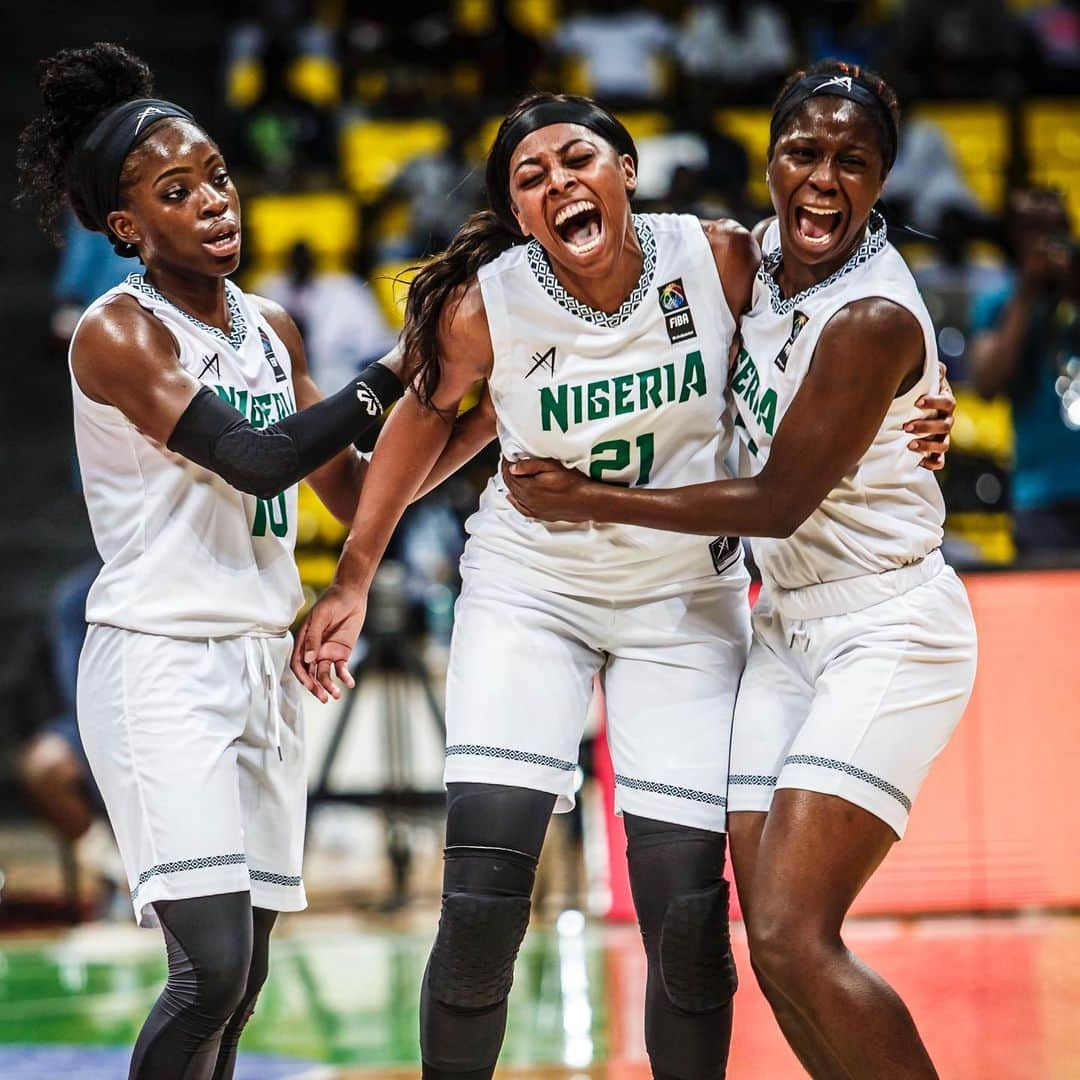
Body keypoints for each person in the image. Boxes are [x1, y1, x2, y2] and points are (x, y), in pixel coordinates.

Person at [292, 91, 955, 1080]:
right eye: (531, 176)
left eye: (578, 159)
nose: (559, 181)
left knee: (689, 929)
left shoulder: (723, 257)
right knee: (481, 908)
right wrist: (352, 577)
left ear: (626, 173)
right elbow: (426, 422)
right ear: (518, 213)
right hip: (531, 589)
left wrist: (919, 391)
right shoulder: (490, 303)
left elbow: (842, 311)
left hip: (683, 601)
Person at [14, 42, 491, 1080]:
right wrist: (400, 364)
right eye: (176, 193)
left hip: (262, 660)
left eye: (219, 177)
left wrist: (474, 415)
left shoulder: (271, 327)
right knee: (209, 972)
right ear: (128, 230)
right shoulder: (117, 336)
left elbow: (358, 493)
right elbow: (263, 459)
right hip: (160, 663)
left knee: (248, 982)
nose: (215, 202)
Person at [497, 63, 978, 1078]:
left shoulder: (871, 319)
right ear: (769, 161)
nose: (822, 180)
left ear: (882, 179)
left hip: (885, 624)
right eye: (804, 153)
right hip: (784, 627)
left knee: (799, 935)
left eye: (853, 162)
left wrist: (585, 498)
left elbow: (775, 503)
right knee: (775, 950)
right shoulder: (750, 263)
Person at [968, 187, 1080, 555]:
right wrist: (1027, 292)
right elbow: (986, 383)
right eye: (1034, 229)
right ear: (1015, 238)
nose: (1047, 241)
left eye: (1055, 228)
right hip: (1040, 495)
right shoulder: (998, 305)